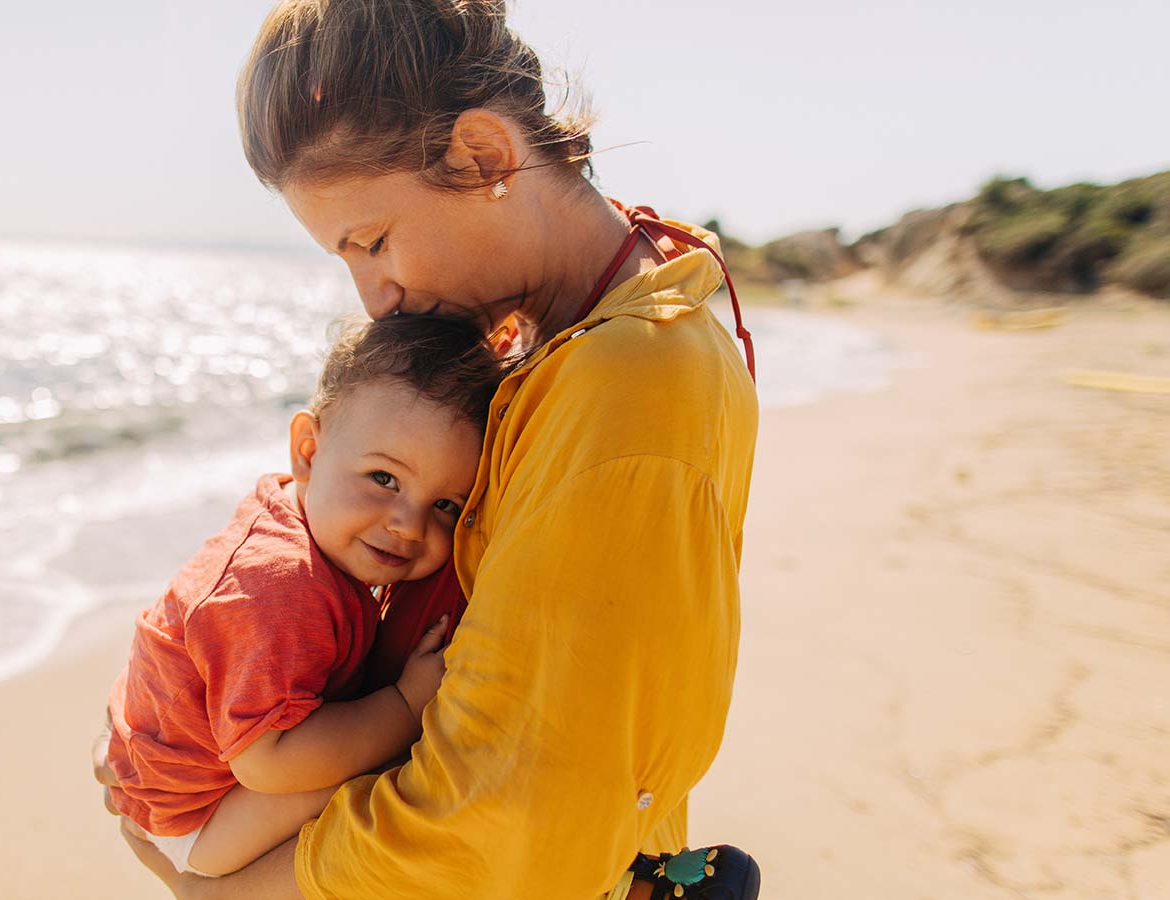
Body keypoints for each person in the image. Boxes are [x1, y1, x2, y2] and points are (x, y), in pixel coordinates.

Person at [95, 1, 760, 897]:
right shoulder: (566, 346)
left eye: (372, 243)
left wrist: (231, 892)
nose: (377, 298)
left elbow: (509, 803)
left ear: (484, 157)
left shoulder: (631, 378)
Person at [103, 314, 507, 877]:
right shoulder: (282, 588)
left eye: (447, 505)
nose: (410, 526)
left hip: (170, 759)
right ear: (309, 452)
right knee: (389, 773)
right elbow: (267, 763)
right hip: (193, 818)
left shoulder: (302, 511)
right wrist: (405, 706)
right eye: (384, 479)